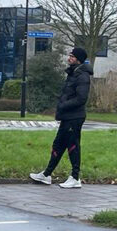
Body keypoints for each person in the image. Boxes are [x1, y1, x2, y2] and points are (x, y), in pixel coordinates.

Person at [30, 47, 93, 189]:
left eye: (71, 56)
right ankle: (46, 174)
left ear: (78, 59)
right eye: (69, 55)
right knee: (58, 144)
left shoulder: (82, 76)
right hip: (67, 117)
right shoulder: (73, 74)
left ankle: (75, 177)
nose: (69, 58)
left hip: (74, 117)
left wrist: (64, 105)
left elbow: (81, 98)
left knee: (73, 146)